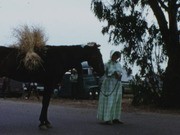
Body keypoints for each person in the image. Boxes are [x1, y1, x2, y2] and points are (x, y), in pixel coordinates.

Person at [97, 50, 123, 125]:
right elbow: (103, 73)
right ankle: (107, 118)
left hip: (117, 84)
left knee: (117, 100)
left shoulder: (118, 64)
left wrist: (119, 76)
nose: (116, 57)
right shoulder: (107, 64)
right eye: (114, 55)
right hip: (109, 84)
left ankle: (115, 118)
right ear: (111, 55)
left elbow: (120, 73)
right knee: (109, 101)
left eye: (117, 55)